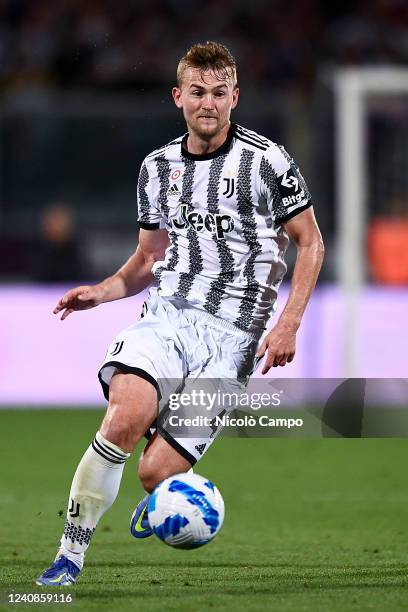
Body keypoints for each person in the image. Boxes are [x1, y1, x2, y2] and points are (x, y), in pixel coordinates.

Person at [36, 41, 324, 586]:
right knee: (125, 415)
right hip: (168, 315)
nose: (208, 103)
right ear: (178, 97)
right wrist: (101, 291)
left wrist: (288, 322)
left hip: (235, 337)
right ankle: (69, 556)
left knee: (155, 473)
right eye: (197, 92)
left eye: (219, 92)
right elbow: (149, 257)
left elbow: (310, 243)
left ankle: (159, 492)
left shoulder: (268, 161)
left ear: (235, 97)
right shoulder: (157, 168)